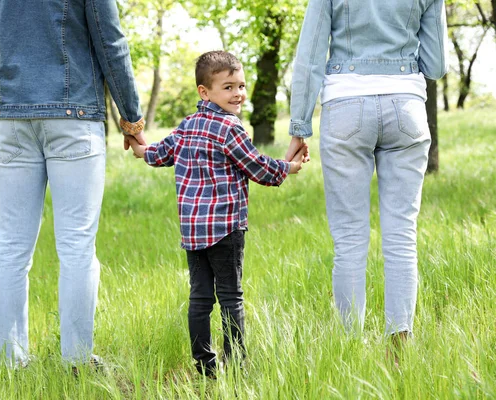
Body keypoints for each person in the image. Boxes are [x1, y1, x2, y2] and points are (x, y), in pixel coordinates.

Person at [0, 0, 146, 369]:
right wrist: (131, 119)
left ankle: (12, 363)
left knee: (12, 248)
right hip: (75, 115)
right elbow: (110, 42)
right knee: (77, 244)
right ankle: (77, 362)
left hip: (13, 117)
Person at [128, 50, 308, 378]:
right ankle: (236, 365)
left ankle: (205, 365)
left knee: (200, 297)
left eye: (240, 85)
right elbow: (258, 167)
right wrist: (290, 167)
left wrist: (138, 145)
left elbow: (156, 153)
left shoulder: (187, 126)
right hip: (226, 229)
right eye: (228, 87)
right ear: (204, 91)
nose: (237, 93)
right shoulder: (230, 128)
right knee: (230, 296)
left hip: (193, 232)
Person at [287, 0, 447, 358]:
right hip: (407, 107)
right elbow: (435, 66)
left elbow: (311, 54)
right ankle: (399, 345)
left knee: (348, 238)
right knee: (402, 234)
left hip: (345, 105)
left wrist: (300, 128)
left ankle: (349, 346)